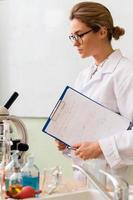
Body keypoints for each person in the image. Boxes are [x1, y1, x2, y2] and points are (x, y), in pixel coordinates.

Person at [55, 1, 133, 185]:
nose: (75, 43)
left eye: (80, 35)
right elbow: (85, 130)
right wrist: (67, 141)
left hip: (115, 182)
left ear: (102, 31)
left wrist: (101, 147)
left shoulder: (126, 73)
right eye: (72, 37)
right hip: (86, 178)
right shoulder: (83, 76)